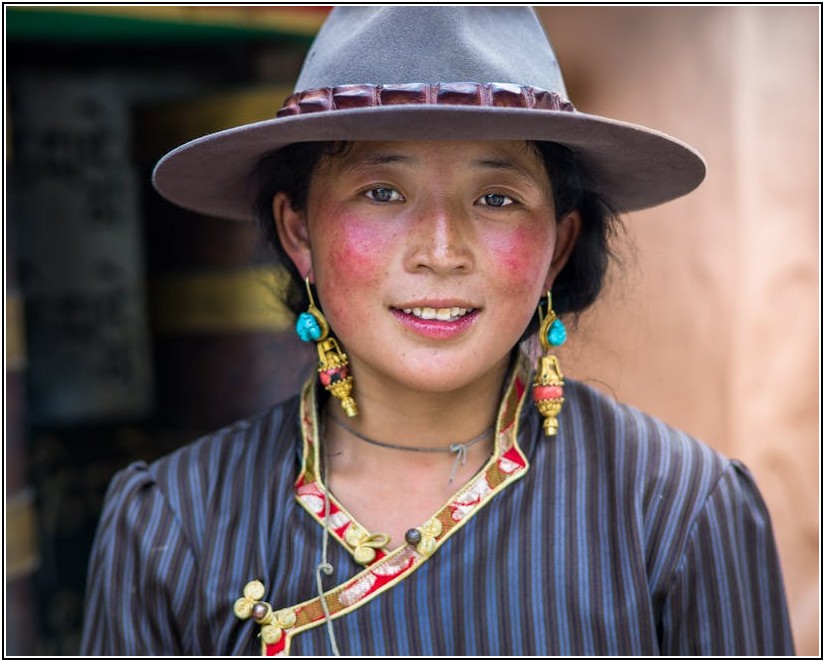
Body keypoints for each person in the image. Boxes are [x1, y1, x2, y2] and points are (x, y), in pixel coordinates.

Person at [80, 7, 794, 656]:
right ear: (298, 230)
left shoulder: (676, 509)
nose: (441, 250)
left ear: (560, 243)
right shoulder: (175, 522)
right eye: (382, 192)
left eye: (495, 197)